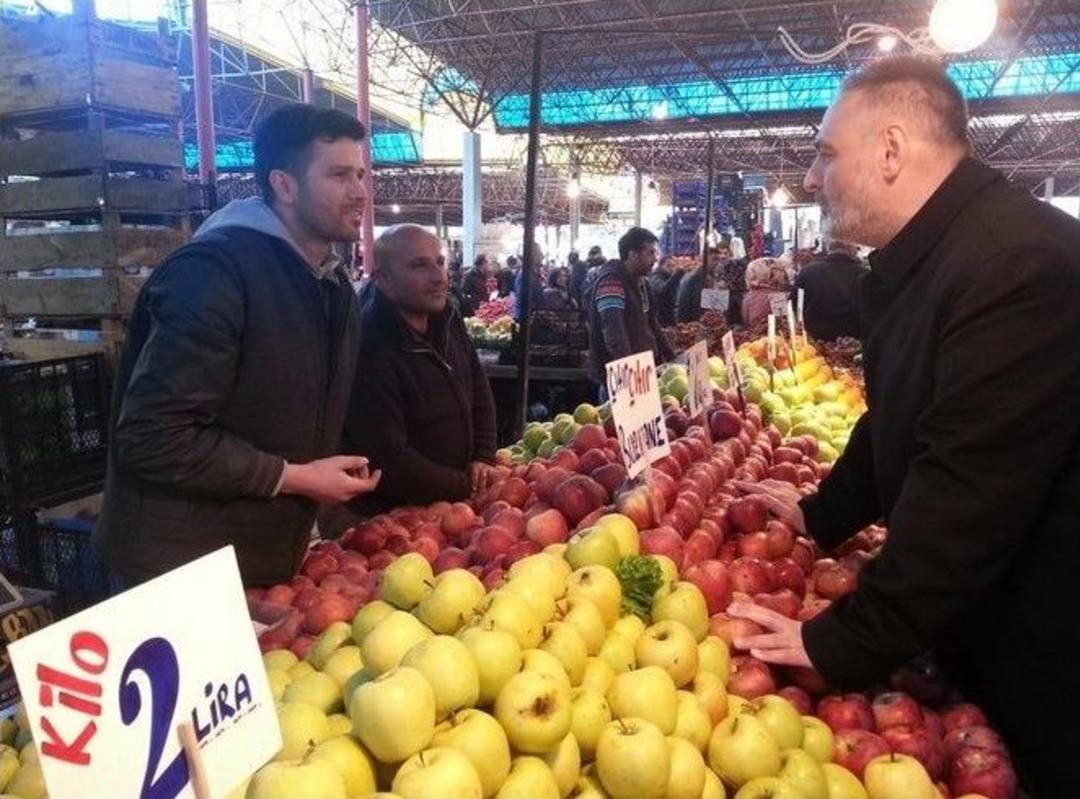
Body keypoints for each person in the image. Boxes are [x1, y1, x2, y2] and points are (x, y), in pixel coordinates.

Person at [727, 56, 1080, 796]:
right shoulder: (916, 264)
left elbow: (968, 492)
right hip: (976, 624)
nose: (816, 175)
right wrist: (824, 513)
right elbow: (899, 415)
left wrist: (844, 641)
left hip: (1050, 649)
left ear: (890, 150)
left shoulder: (1013, 265)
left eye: (827, 153)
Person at [94, 104, 381, 587]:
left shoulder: (331, 287)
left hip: (257, 562)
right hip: (174, 574)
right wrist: (295, 477)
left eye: (359, 174)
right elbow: (152, 435)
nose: (360, 193)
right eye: (339, 176)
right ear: (283, 185)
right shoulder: (212, 274)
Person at [335, 224, 497, 519]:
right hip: (392, 518)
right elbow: (389, 458)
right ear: (384, 280)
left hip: (455, 507)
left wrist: (483, 457)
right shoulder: (369, 344)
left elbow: (479, 389)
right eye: (419, 265)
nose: (439, 276)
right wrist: (466, 485)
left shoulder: (449, 318)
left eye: (440, 261)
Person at [586, 227, 675, 389]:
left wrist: (672, 358)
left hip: (643, 371)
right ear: (633, 255)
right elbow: (614, 334)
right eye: (650, 253)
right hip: (621, 381)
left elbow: (653, 324)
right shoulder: (611, 282)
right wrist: (630, 376)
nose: (655, 259)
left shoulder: (642, 282)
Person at [790, 238, 867, 341]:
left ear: (828, 247)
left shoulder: (807, 271)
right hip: (852, 345)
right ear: (852, 249)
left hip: (813, 345)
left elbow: (793, 306)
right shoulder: (865, 275)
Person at [674, 244, 733, 324]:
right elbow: (683, 305)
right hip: (695, 323)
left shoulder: (718, 278)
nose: (717, 263)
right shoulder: (692, 279)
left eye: (718, 260)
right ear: (703, 259)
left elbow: (719, 305)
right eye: (714, 259)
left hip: (712, 323)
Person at [740, 256, 787, 328]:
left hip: (753, 335)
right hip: (773, 337)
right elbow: (783, 324)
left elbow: (745, 321)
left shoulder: (748, 296)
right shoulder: (778, 297)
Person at [647, 254, 684, 326]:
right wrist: (677, 275)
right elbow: (663, 290)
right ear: (661, 266)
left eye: (673, 266)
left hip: (669, 317)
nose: (671, 269)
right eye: (668, 266)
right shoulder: (656, 276)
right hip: (660, 319)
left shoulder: (670, 278)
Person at [459, 253, 490, 317]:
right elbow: (463, 291)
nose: (488, 265)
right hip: (474, 308)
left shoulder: (483, 274)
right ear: (483, 263)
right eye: (487, 262)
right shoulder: (470, 274)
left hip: (483, 307)